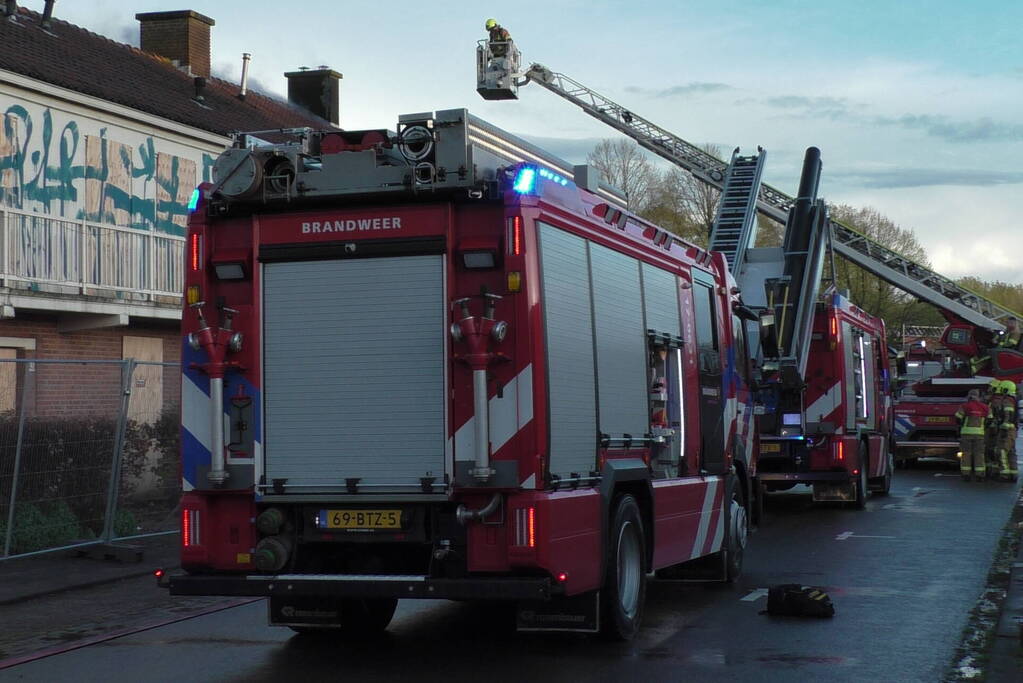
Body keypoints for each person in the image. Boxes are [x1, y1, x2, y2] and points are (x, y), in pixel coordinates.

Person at [956, 389, 992, 481]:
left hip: (966, 433)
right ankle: (980, 475)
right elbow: (990, 419)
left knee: (966, 454)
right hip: (980, 434)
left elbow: (958, 418)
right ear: (979, 397)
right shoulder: (985, 407)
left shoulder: (965, 406)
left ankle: (966, 474)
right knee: (979, 454)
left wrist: (961, 425)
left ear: (969, 396)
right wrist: (983, 427)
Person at [995, 380, 1019, 481]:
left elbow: (1008, 415)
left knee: (1002, 451)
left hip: (1007, 429)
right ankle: (1013, 473)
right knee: (1011, 452)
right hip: (1012, 429)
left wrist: (1004, 428)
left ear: (1005, 389)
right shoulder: (1013, 399)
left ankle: (1004, 474)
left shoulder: (1007, 400)